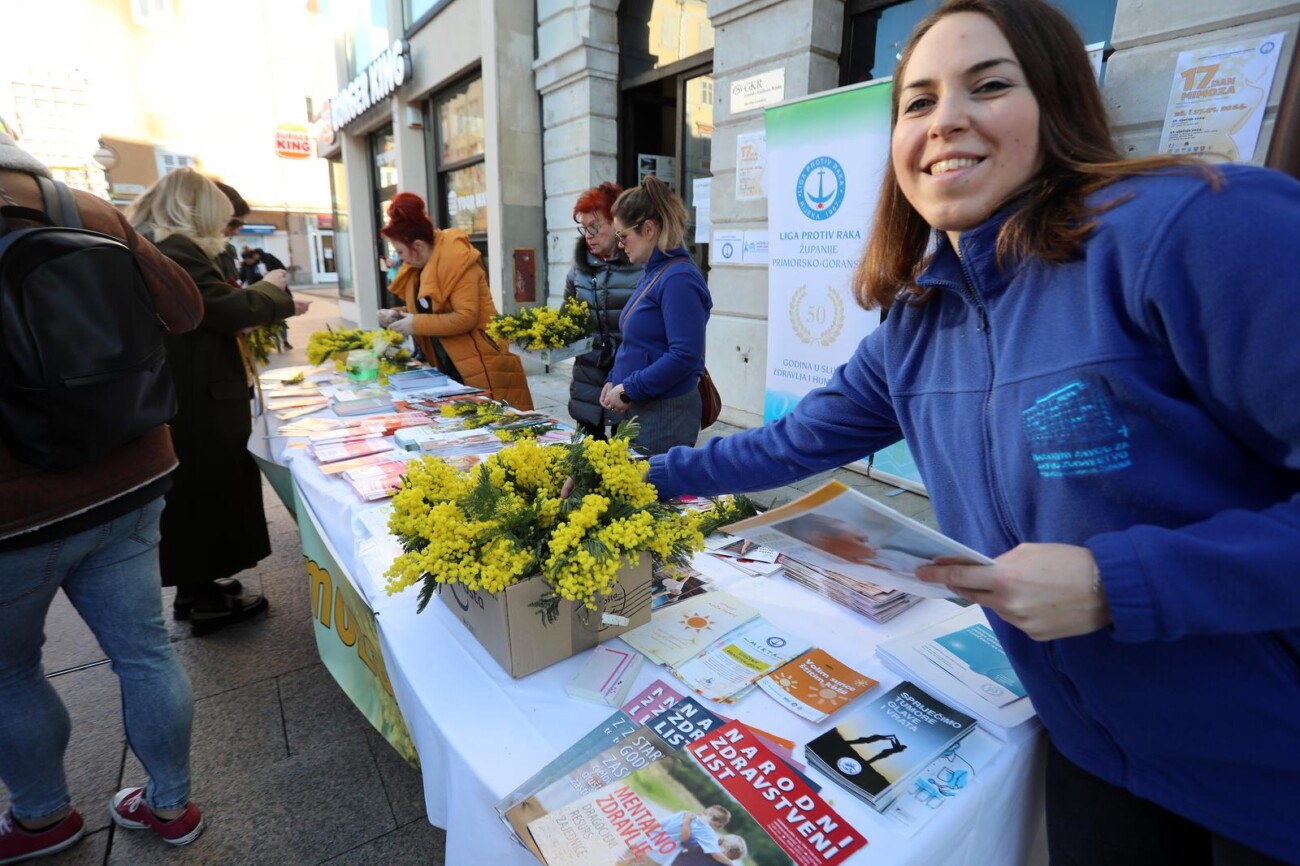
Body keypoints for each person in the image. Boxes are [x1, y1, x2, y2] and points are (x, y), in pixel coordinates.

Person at [646, 1, 1300, 863]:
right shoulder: (918, 321)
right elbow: (783, 446)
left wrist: (1119, 583)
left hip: (1265, 771)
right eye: (917, 102)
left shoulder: (1197, 226)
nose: (945, 119)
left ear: (1059, 100)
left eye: (989, 85)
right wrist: (637, 478)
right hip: (1093, 756)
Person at [0, 131, 207, 860]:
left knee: (10, 674)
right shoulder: (85, 210)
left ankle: (42, 818)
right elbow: (184, 312)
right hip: (131, 473)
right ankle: (172, 806)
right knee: (146, 653)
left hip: (15, 512)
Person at [128, 168, 311, 635]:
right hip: (196, 397)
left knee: (201, 491)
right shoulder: (177, 251)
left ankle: (199, 585)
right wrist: (272, 290)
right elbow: (221, 309)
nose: (227, 228)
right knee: (205, 490)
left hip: (195, 391)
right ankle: (204, 597)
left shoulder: (165, 247)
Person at [377, 192, 534, 409]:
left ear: (419, 245)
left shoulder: (457, 259)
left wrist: (414, 323)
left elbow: (465, 317)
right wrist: (399, 314)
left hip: (481, 365)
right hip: (450, 366)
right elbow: (431, 309)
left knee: (499, 429)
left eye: (400, 251)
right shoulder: (418, 269)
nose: (399, 257)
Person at [600, 175, 712, 455]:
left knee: (651, 495)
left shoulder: (678, 278)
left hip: (665, 413)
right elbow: (636, 342)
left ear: (648, 229)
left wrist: (629, 390)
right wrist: (614, 378)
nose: (620, 245)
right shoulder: (654, 273)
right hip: (645, 407)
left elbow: (685, 356)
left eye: (623, 236)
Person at [564, 181, 642, 438]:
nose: (588, 235)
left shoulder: (641, 266)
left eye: (595, 227)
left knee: (626, 463)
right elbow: (567, 321)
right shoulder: (578, 270)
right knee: (587, 461)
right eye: (584, 228)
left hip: (628, 380)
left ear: (617, 223)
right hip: (588, 379)